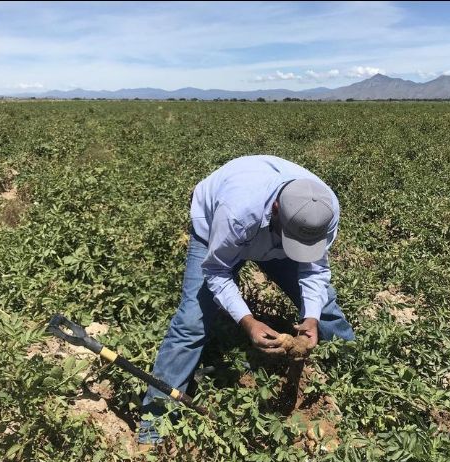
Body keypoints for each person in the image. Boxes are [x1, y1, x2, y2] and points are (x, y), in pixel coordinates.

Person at [138, 155, 355, 444]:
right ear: (276, 209)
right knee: (192, 322)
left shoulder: (324, 210)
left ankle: (355, 379)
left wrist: (311, 318)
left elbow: (314, 269)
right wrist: (248, 321)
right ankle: (154, 430)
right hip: (218, 229)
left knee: (324, 306)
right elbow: (217, 270)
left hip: (271, 234)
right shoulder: (238, 211)